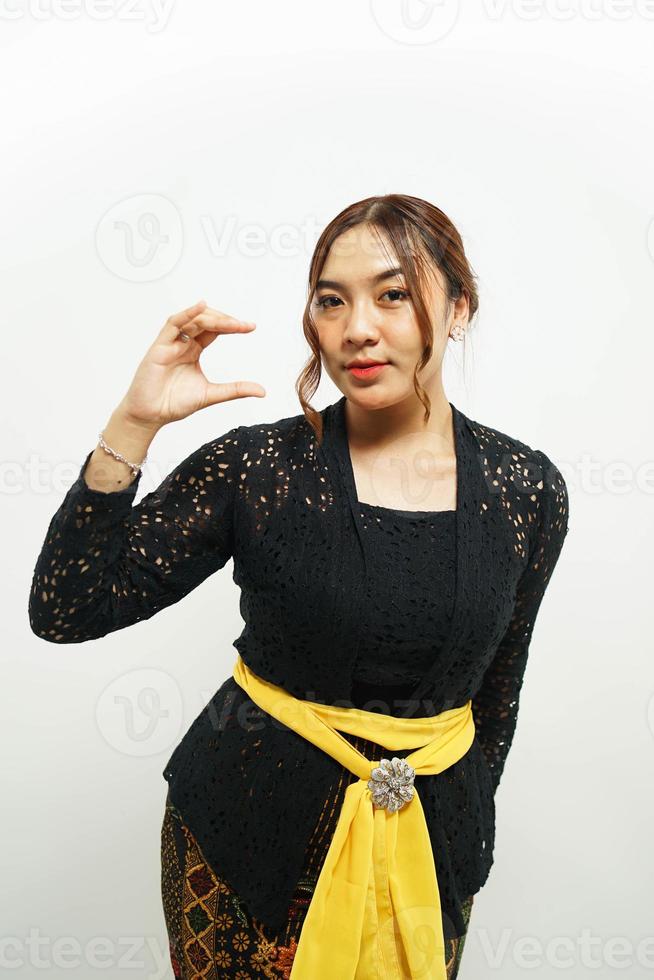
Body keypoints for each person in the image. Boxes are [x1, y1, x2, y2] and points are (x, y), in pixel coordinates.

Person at [29, 194, 570, 979]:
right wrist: (135, 422)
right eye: (331, 300)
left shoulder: (527, 488)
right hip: (239, 839)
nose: (357, 327)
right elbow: (66, 608)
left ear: (459, 309)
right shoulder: (258, 467)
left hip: (429, 849)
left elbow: (497, 692)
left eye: (393, 294)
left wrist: (465, 837)